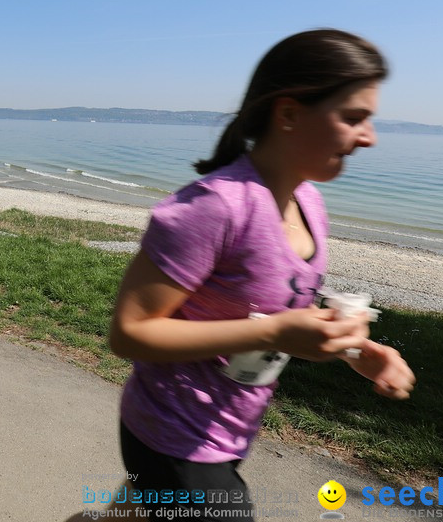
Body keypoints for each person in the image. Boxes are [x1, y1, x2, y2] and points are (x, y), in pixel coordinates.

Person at [108, 29, 415, 519]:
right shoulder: (213, 208)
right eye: (353, 117)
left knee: (134, 510)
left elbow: (278, 305)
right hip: (173, 434)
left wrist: (357, 350)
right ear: (289, 113)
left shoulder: (308, 201)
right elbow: (129, 333)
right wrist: (272, 331)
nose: (369, 137)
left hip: (231, 428)